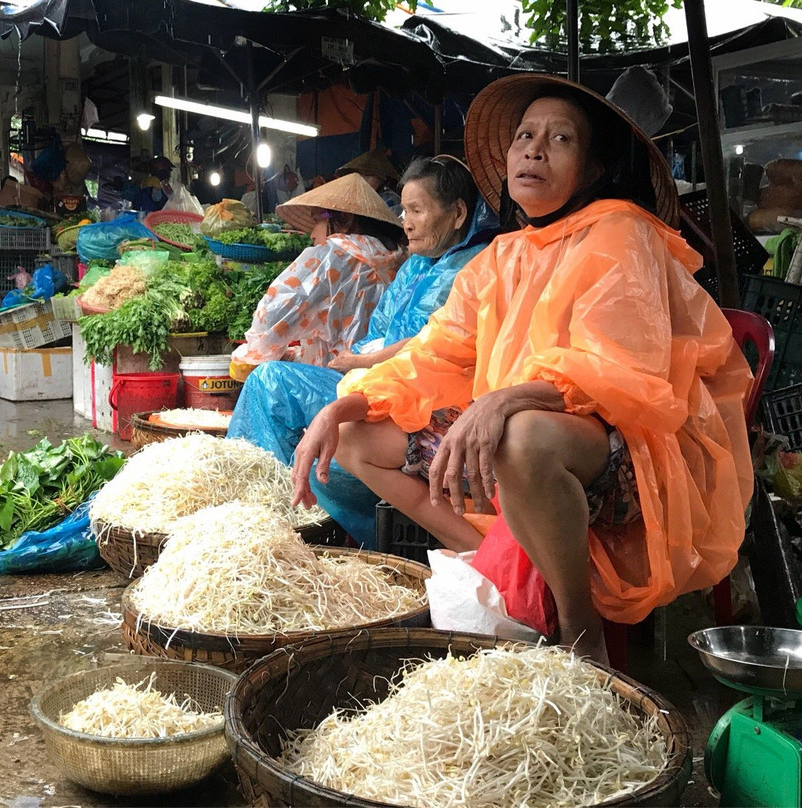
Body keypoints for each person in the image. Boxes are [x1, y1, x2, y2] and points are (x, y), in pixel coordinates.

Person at [291, 74, 752, 663]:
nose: (534, 150)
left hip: (625, 449)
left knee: (521, 437)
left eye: (561, 139)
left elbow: (619, 373)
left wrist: (502, 400)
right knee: (357, 437)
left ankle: (580, 634)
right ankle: (511, 572)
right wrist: (340, 407)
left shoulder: (621, 232)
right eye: (525, 136)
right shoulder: (501, 256)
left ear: (591, 169)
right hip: (514, 441)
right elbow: (436, 354)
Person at [229, 156, 497, 545]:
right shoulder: (414, 265)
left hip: (428, 401)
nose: (406, 222)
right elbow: (381, 332)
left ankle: (267, 515)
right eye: (404, 211)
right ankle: (262, 509)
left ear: (457, 213)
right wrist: (358, 365)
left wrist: (359, 362)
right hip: (382, 384)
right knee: (280, 388)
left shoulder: (475, 265)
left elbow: (433, 346)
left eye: (417, 210)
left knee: (272, 382)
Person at [229, 172, 407, 379]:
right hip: (382, 380)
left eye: (316, 221)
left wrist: (249, 354)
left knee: (261, 374)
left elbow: (272, 318)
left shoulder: (333, 255)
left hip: (336, 381)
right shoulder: (398, 258)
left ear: (345, 220)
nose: (312, 233)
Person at [336, 148, 402, 211]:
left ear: (381, 179)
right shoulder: (350, 198)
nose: (362, 179)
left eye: (367, 175)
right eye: (359, 174)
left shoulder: (391, 200)